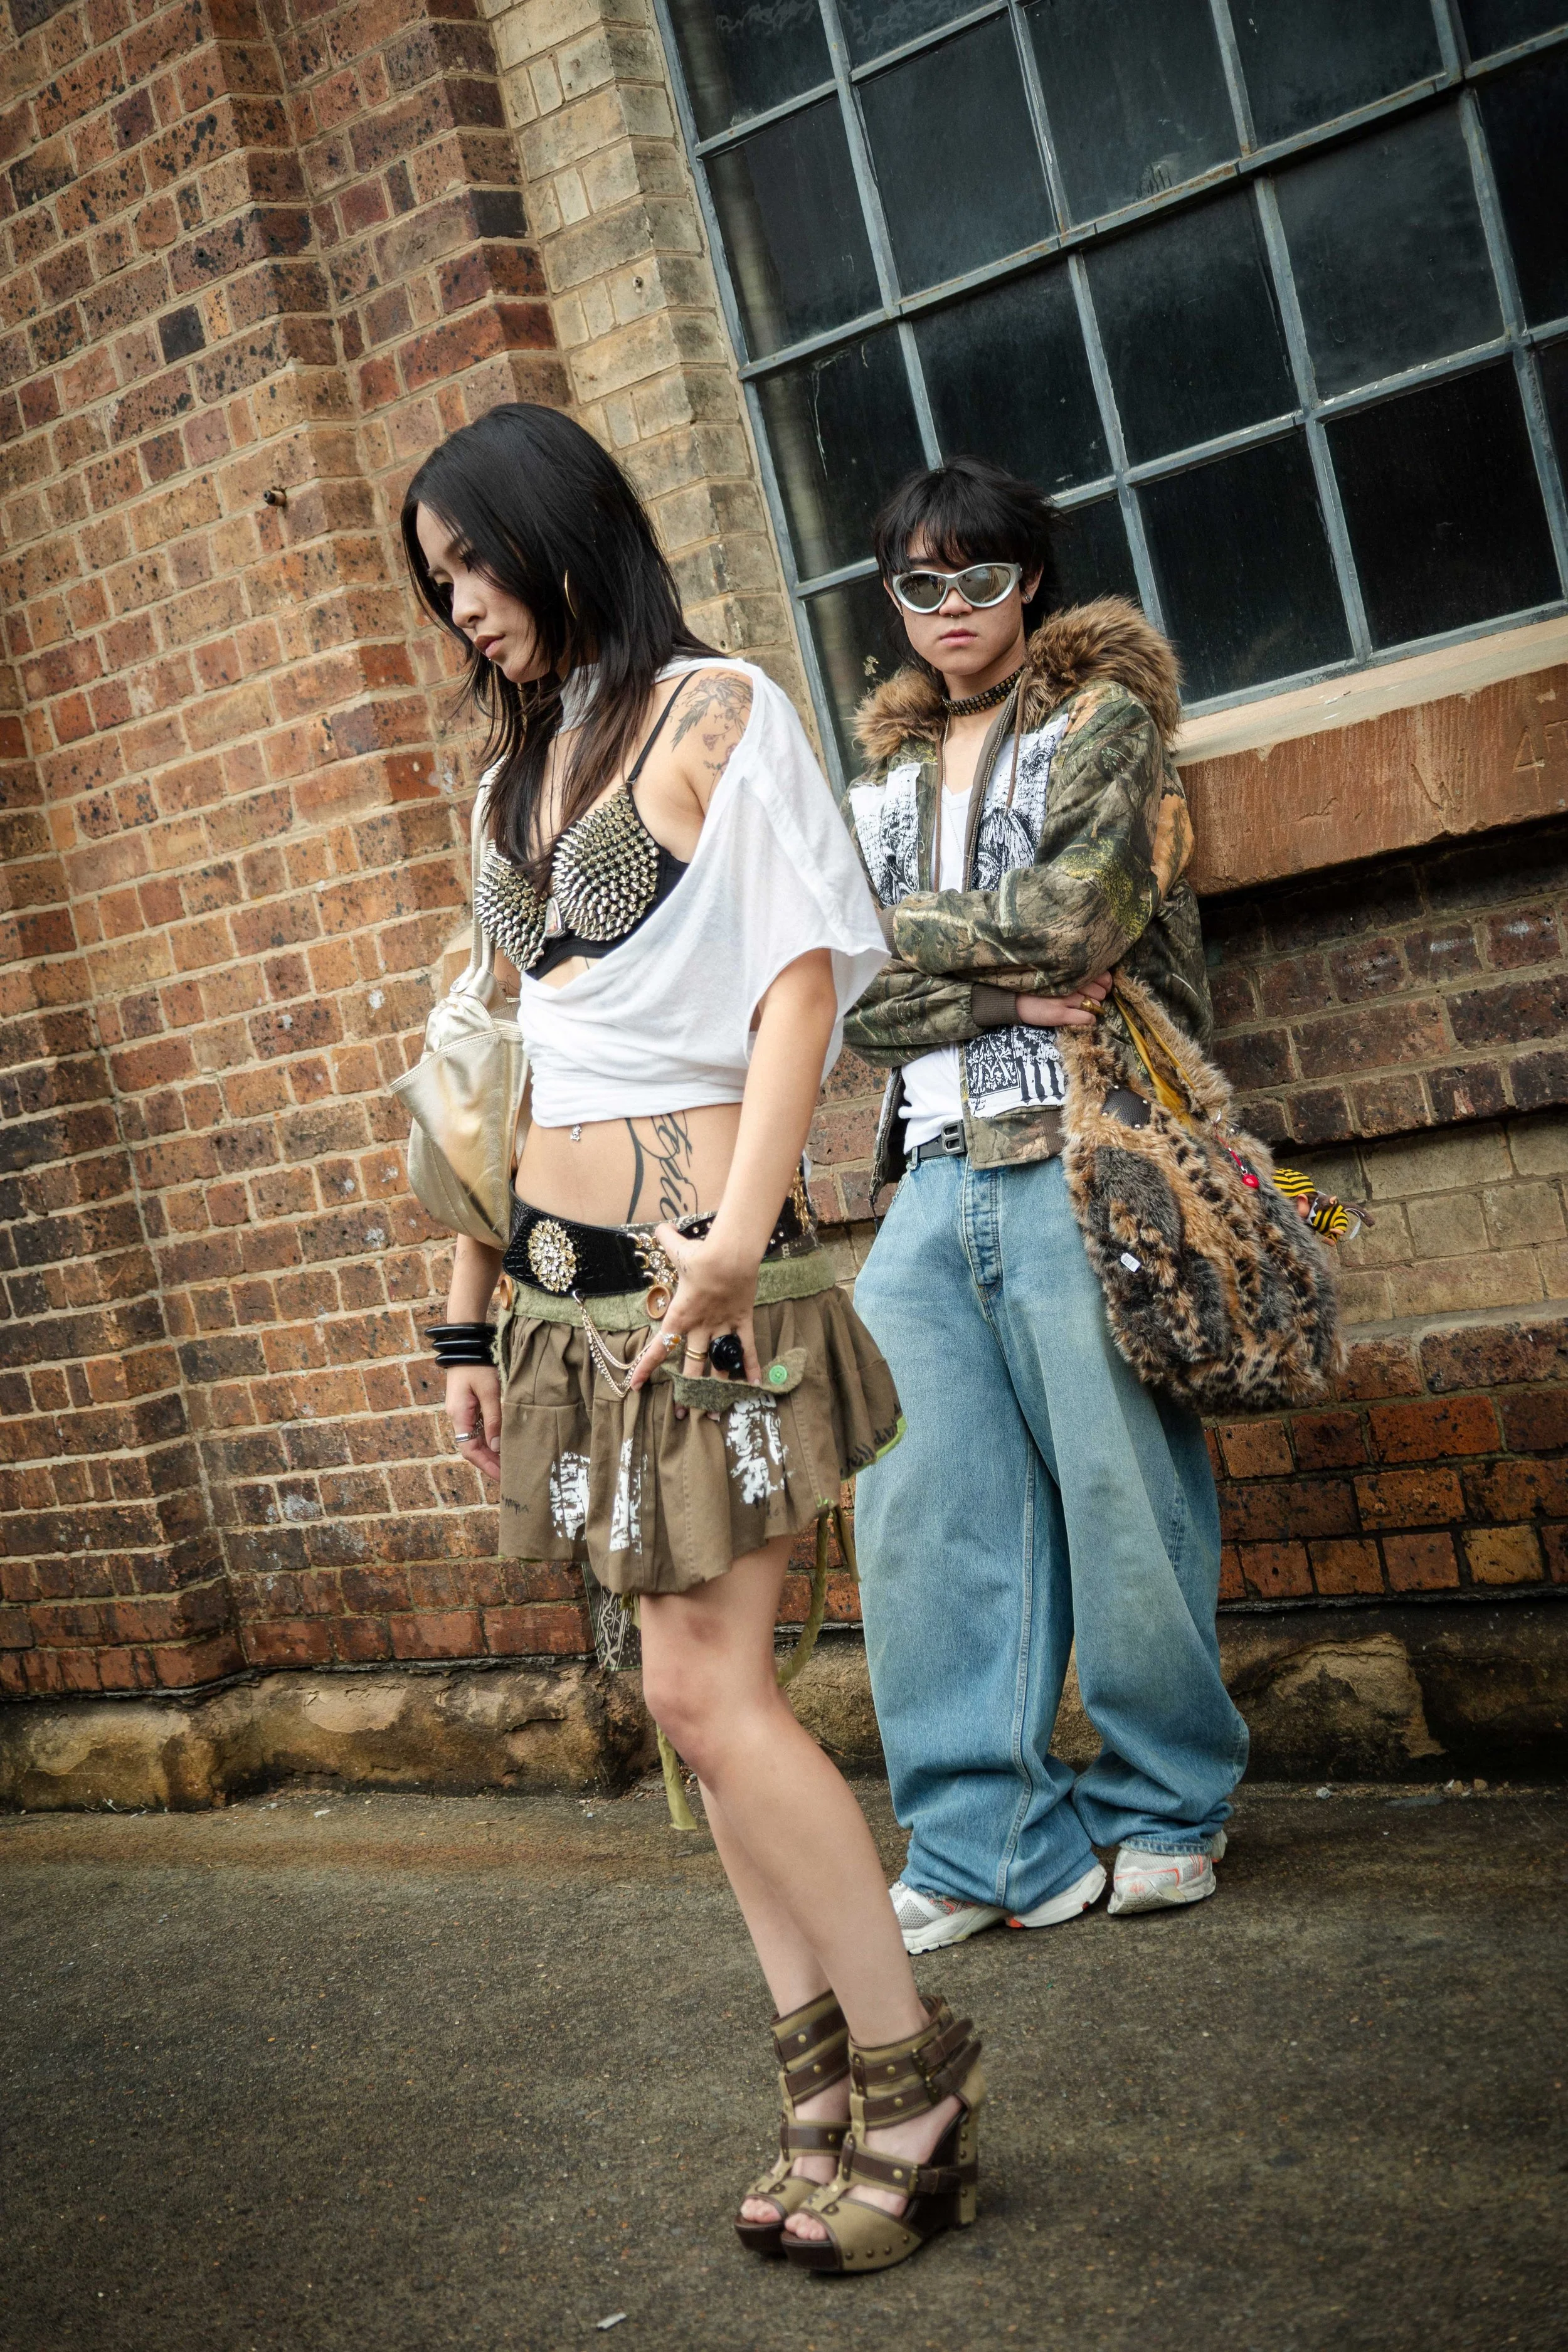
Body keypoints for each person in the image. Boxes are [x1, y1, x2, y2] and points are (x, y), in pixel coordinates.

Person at [400, 404, 985, 2274]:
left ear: (558, 525)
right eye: (437, 583)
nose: (461, 606)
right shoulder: (515, 774)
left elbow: (798, 979)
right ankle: (819, 2093)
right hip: (561, 1293)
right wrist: (464, 1327)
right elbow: (491, 1065)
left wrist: (737, 1238)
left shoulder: (718, 709)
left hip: (701, 1280)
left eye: (475, 561)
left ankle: (913, 2083)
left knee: (709, 1695)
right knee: (681, 1704)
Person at [842, 456, 1249, 1954]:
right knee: (920, 1518)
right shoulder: (880, 782)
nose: (951, 607)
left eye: (982, 577)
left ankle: (1166, 1806)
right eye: (920, 583)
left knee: (1121, 1498)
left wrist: (901, 937)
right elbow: (848, 1000)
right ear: (892, 600)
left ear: (1029, 583)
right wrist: (998, 991)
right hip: (925, 1176)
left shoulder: (1102, 722)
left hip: (1081, 1153)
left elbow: (1084, 913)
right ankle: (986, 1842)